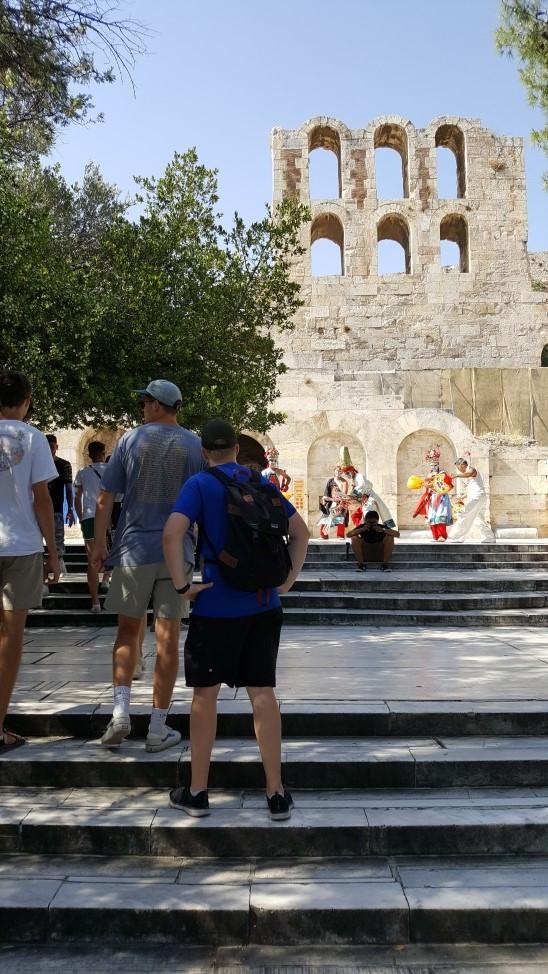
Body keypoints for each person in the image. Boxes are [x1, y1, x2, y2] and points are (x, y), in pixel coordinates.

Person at [163, 418, 310, 821]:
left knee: (204, 696)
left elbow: (172, 534)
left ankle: (197, 792)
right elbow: (301, 532)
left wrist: (182, 586)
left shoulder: (200, 484)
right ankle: (276, 793)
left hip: (216, 606)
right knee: (262, 694)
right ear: (237, 449)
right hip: (264, 606)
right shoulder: (261, 483)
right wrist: (287, 581)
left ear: (204, 451)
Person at [91, 379, 208, 752]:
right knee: (168, 638)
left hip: (133, 549)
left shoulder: (129, 440)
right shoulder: (194, 445)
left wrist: (97, 544)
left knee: (127, 632)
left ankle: (121, 712)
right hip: (177, 554)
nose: (142, 406)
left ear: (158, 405)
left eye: (145, 401)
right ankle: (158, 727)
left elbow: (107, 496)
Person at [0, 371, 60, 751]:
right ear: (27, 400)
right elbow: (42, 498)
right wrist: (53, 551)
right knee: (10, 639)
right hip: (21, 547)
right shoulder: (33, 437)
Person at [74, 441, 109, 612]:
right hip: (108, 516)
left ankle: (95, 602)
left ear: (89, 455)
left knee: (91, 560)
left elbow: (77, 497)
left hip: (89, 516)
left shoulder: (82, 472)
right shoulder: (111, 471)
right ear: (104, 452)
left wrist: (81, 517)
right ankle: (107, 579)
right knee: (112, 551)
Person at [45, 434, 74, 575]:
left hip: (56, 508)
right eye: (48, 446)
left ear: (56, 447)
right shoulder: (37, 463)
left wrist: (70, 508)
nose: (50, 449)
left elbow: (69, 489)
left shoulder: (64, 465)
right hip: (38, 509)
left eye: (52, 446)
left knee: (58, 540)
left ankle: (58, 566)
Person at [449, 456, 496, 543]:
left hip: (477, 497)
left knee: (465, 514)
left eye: (458, 467)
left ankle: (456, 537)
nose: (458, 470)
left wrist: (456, 475)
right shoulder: (467, 475)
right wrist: (462, 497)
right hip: (477, 497)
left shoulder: (471, 469)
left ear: (463, 464)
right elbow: (472, 488)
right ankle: (489, 538)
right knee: (479, 519)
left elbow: (469, 474)